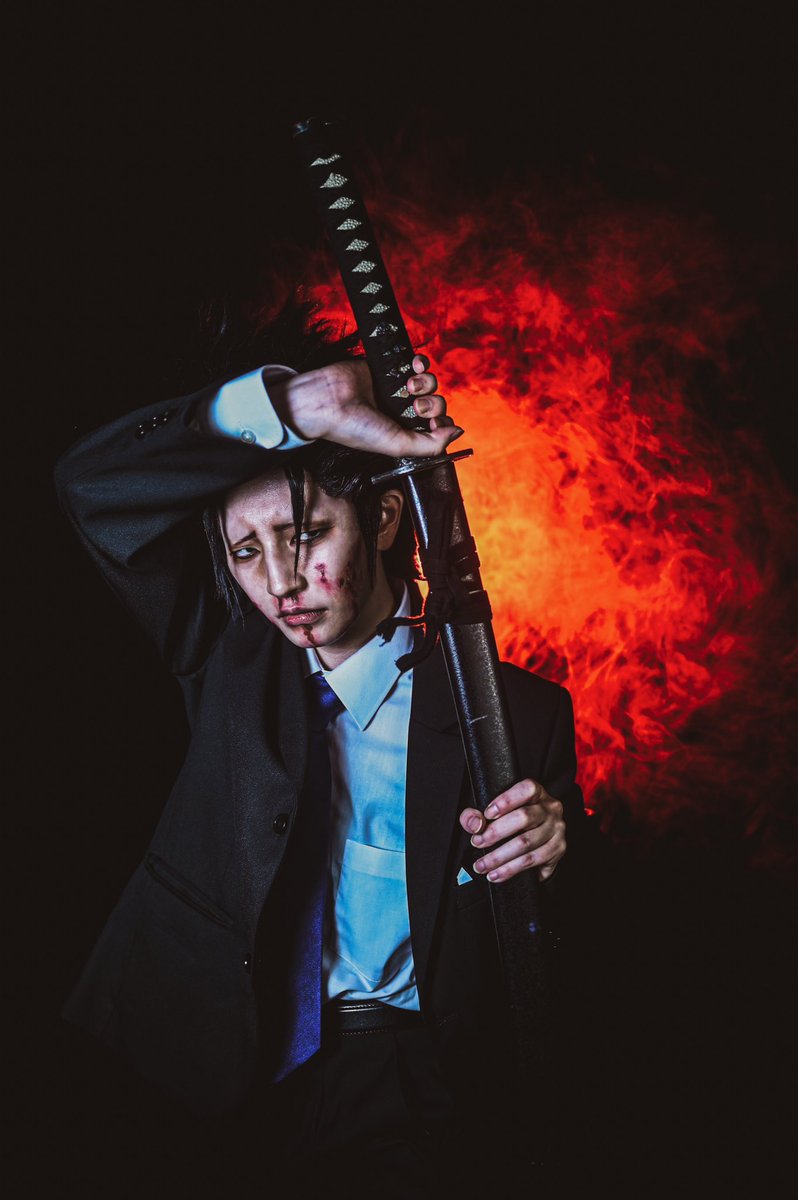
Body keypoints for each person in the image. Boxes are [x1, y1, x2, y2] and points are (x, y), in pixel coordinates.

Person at [55, 302, 585, 1193]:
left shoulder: (517, 714)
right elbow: (89, 486)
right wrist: (296, 407)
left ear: (382, 520)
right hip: (213, 1074)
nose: (280, 583)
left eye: (304, 535)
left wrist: (558, 846)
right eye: (246, 552)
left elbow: (568, 948)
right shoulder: (221, 652)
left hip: (410, 1087)